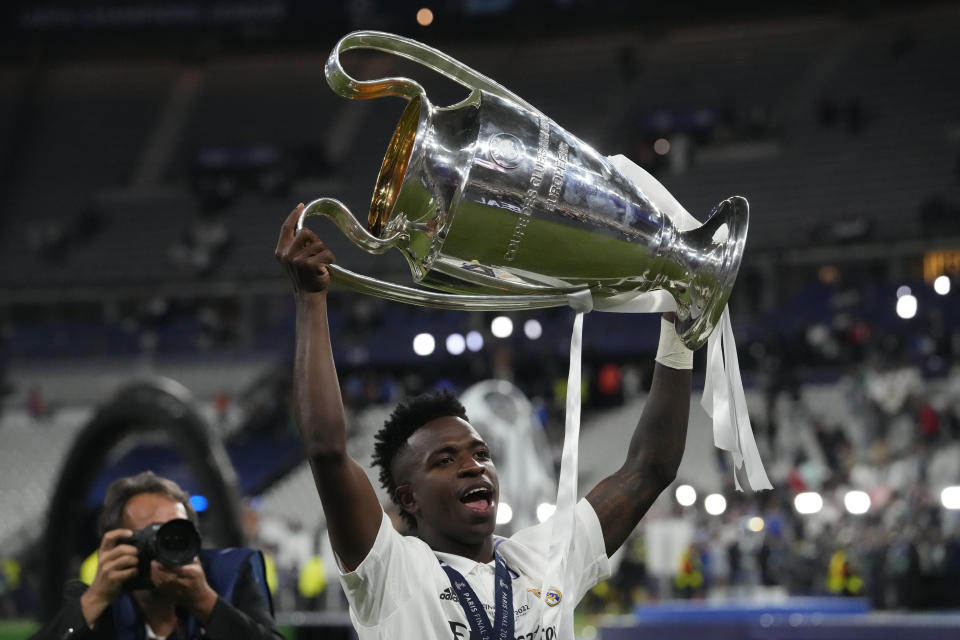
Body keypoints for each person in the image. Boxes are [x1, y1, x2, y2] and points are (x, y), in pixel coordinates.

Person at [276, 202, 692, 639]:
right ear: (409, 498)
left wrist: (679, 327)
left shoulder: (542, 560)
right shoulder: (392, 572)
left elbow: (651, 466)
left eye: (480, 453)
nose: (474, 465)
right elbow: (326, 451)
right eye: (444, 460)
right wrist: (311, 300)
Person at [32, 471, 282, 640]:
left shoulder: (230, 579)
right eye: (148, 536)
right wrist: (95, 599)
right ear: (118, 542)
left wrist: (206, 603)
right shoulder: (96, 603)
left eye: (175, 533)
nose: (164, 545)